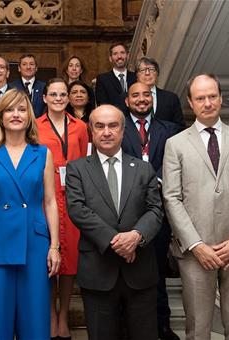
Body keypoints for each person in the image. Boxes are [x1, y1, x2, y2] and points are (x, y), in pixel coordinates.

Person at [162, 74, 229, 340]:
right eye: (200, 98)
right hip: (195, 252)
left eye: (212, 96)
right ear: (190, 102)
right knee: (197, 330)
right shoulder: (175, 145)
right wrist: (196, 245)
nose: (207, 103)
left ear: (221, 98)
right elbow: (171, 198)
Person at [65, 104, 163, 340]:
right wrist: (116, 241)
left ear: (122, 130)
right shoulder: (77, 169)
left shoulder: (143, 167)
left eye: (113, 126)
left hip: (140, 271)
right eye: (99, 126)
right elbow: (77, 209)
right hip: (98, 271)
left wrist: (135, 237)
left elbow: (156, 210)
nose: (106, 131)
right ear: (91, 131)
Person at [0, 89, 61, 340]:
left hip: (35, 243)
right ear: (0, 116)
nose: (16, 115)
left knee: (35, 318)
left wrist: (55, 246)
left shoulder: (43, 153)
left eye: (22, 109)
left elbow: (51, 202)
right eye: (10, 109)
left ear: (30, 116)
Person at [121, 82, 180, 340]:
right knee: (126, 275)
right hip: (127, 211)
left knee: (157, 272)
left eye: (146, 95)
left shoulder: (170, 131)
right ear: (127, 101)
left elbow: (178, 163)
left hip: (161, 212)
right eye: (136, 95)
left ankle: (162, 327)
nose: (142, 99)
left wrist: (157, 180)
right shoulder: (117, 128)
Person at [36, 78, 89, 339]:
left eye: (63, 94)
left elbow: (86, 162)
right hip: (46, 196)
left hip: (74, 199)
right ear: (44, 97)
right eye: (53, 94)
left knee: (70, 261)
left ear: (69, 98)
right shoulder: (35, 126)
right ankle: (49, 315)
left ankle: (64, 315)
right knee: (48, 258)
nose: (58, 98)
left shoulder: (80, 127)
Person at [135, 57, 185, 130]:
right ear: (136, 75)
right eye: (143, 70)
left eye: (151, 69)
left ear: (157, 74)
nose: (147, 73)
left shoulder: (171, 98)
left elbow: (180, 127)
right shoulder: (127, 98)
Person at [95, 42, 136, 113]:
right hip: (113, 120)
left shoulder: (136, 77)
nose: (119, 56)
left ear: (128, 56)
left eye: (122, 53)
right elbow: (102, 105)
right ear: (110, 58)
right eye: (115, 54)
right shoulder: (103, 79)